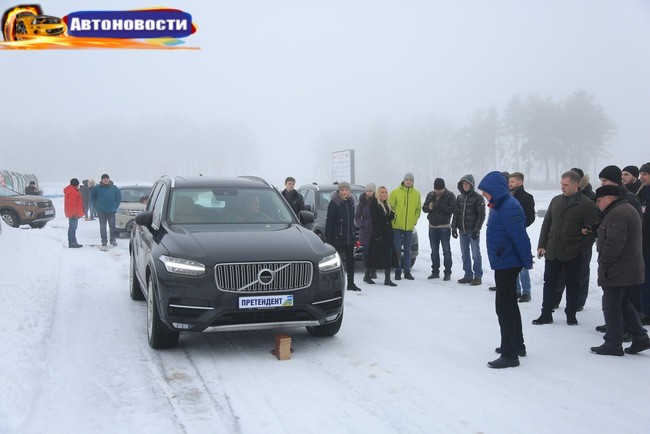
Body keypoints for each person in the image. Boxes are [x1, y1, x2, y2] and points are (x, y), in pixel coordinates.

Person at [478, 171, 533, 368]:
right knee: (510, 304)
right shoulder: (500, 205)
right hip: (505, 260)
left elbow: (520, 236)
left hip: (508, 262)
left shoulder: (508, 207)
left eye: (485, 192)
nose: (484, 195)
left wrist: (527, 261)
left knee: (504, 307)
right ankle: (517, 345)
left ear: (495, 190)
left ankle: (510, 355)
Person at [590, 185, 650, 356]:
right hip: (629, 267)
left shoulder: (617, 213)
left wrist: (606, 264)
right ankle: (640, 338)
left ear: (609, 198)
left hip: (619, 268)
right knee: (623, 303)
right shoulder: (625, 209)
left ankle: (613, 343)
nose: (597, 204)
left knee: (611, 305)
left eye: (599, 200)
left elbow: (614, 244)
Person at [534, 170, 599, 325]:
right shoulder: (556, 201)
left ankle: (571, 314)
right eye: (561, 184)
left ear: (576, 185)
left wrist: (581, 248)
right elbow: (546, 224)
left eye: (566, 185)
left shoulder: (586, 204)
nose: (562, 187)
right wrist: (542, 245)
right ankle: (546, 313)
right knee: (549, 283)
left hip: (573, 252)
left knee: (573, 284)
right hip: (553, 250)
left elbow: (591, 231)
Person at [325, 182, 360, 291]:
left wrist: (354, 235)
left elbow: (351, 221)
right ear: (339, 191)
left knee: (351, 261)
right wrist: (328, 238)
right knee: (334, 263)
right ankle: (332, 285)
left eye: (346, 190)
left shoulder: (351, 202)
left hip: (349, 237)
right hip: (337, 238)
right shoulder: (334, 203)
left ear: (349, 191)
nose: (344, 192)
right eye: (342, 190)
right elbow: (329, 220)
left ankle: (351, 284)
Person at [452, 174, 485, 286]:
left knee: (476, 254)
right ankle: (468, 275)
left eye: (467, 183)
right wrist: (454, 228)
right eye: (463, 183)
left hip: (472, 231)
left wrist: (476, 230)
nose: (465, 185)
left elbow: (481, 215)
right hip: (462, 230)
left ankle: (478, 276)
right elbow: (456, 214)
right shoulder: (459, 197)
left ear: (471, 185)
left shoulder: (478, 198)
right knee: (464, 254)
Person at [389, 173, 421, 280]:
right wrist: (395, 217)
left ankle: (407, 271)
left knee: (408, 251)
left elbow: (418, 209)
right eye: (406, 179)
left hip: (409, 227)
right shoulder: (395, 192)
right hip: (397, 226)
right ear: (403, 181)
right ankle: (398, 271)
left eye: (410, 180)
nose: (408, 181)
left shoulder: (416, 194)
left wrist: (414, 220)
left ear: (413, 182)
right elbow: (390, 207)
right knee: (397, 250)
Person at [422, 178, 455, 281]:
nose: (438, 191)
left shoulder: (450, 195)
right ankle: (435, 272)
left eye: (440, 189)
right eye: (436, 189)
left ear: (444, 188)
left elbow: (453, 209)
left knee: (446, 251)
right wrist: (429, 207)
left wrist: (441, 205)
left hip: (444, 227)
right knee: (434, 251)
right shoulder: (430, 195)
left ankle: (447, 273)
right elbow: (424, 208)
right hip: (432, 227)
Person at [369, 186, 398, 287]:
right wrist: (377, 234)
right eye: (382, 192)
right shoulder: (375, 204)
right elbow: (376, 221)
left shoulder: (386, 204)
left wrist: (391, 216)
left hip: (387, 234)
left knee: (388, 256)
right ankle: (367, 275)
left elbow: (386, 219)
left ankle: (387, 278)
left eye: (385, 192)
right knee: (374, 256)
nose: (384, 194)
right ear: (378, 193)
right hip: (379, 235)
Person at [90, 174, 122, 247]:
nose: (106, 180)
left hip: (111, 211)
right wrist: (96, 206)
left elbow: (119, 197)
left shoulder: (114, 188)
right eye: (104, 179)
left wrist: (115, 206)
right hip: (101, 211)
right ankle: (104, 241)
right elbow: (92, 197)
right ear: (101, 180)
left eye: (107, 178)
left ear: (109, 179)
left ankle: (113, 240)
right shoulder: (97, 188)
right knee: (103, 227)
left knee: (112, 226)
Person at [355, 183, 376, 284]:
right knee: (366, 253)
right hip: (365, 231)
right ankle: (367, 273)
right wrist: (361, 224)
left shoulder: (377, 201)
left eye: (370, 191)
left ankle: (373, 270)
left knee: (374, 252)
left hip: (375, 231)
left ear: (374, 191)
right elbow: (357, 216)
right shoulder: (362, 202)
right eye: (367, 191)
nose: (368, 192)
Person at [638, 162, 650, 326]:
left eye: (645, 174)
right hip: (642, 245)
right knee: (643, 281)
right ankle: (645, 311)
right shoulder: (641, 194)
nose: (641, 177)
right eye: (641, 174)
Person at [63, 178, 84, 248]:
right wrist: (74, 214)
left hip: (72, 213)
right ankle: (72, 243)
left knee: (72, 228)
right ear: (76, 184)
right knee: (73, 228)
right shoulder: (72, 191)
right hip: (73, 214)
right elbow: (72, 204)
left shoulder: (71, 190)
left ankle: (73, 242)